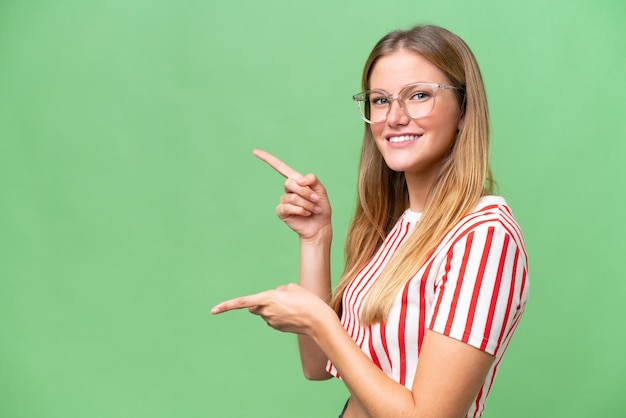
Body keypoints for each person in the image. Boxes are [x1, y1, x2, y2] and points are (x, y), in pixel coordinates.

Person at [212, 24, 529, 418]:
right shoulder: (398, 227)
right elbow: (317, 365)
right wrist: (316, 238)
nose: (395, 117)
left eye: (418, 95)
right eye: (380, 100)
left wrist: (317, 318)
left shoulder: (484, 235)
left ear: (464, 109)